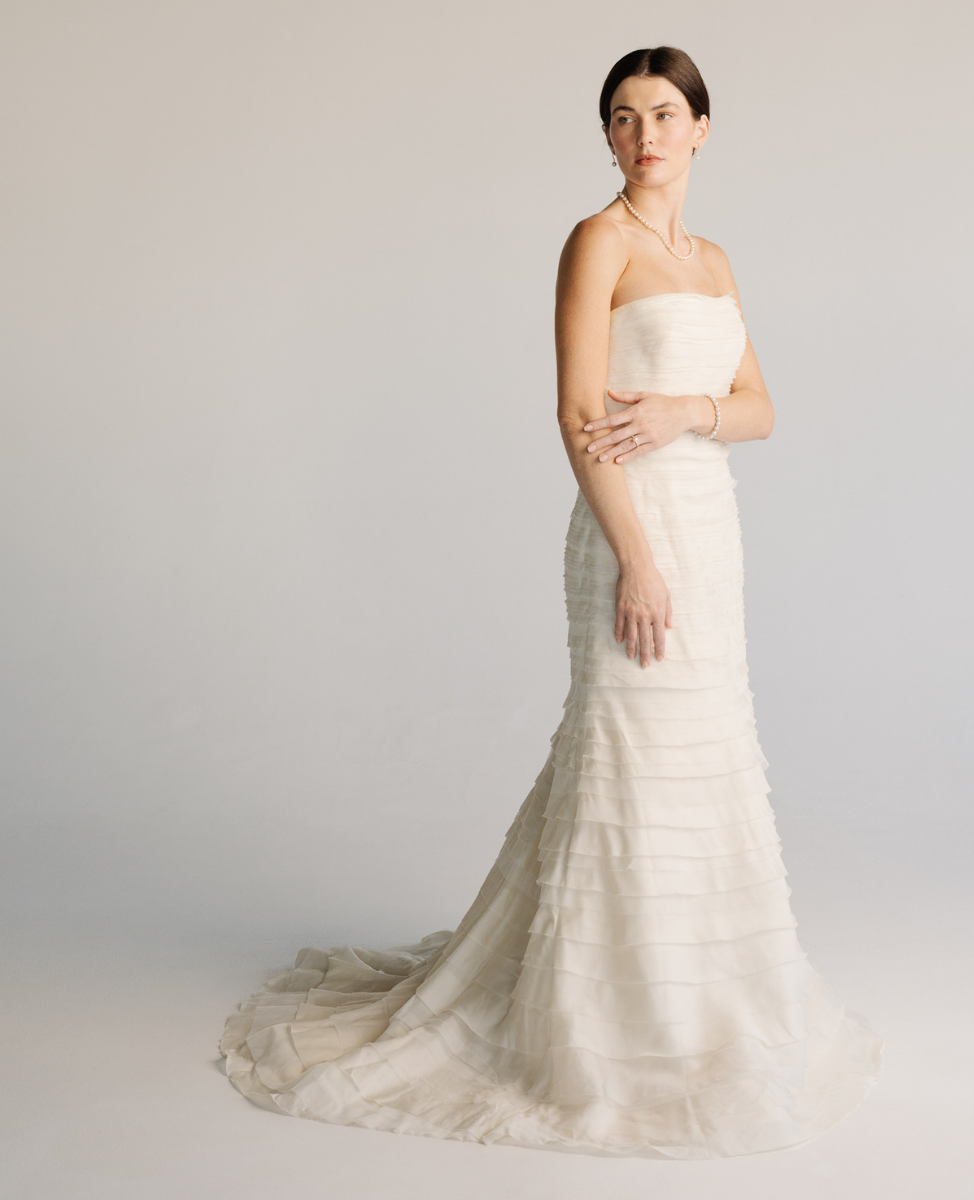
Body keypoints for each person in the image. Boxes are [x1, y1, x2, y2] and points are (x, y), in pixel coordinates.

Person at [219, 45, 882, 1159]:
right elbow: (578, 417)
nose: (644, 135)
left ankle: (704, 1006)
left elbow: (761, 406)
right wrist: (638, 558)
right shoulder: (599, 241)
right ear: (610, 138)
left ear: (703, 128)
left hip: (708, 528)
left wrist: (683, 412)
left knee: (704, 753)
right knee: (626, 754)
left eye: (664, 114)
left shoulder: (714, 259)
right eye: (622, 118)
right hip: (632, 529)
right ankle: (599, 1023)